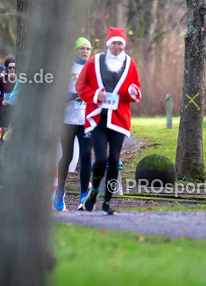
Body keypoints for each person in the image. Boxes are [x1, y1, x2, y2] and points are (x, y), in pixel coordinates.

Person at [76, 27, 142, 215]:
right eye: (114, 43)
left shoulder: (130, 64)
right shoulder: (94, 62)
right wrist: (97, 94)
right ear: (108, 44)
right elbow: (80, 86)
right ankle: (94, 191)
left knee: (114, 160)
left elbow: (136, 88)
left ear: (124, 45)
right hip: (98, 118)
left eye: (120, 43)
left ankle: (106, 202)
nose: (117, 47)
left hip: (119, 119)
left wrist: (132, 92)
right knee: (101, 160)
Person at [52, 39, 94, 211]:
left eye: (88, 48)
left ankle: (84, 195)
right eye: (82, 48)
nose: (85, 51)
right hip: (68, 119)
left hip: (86, 119)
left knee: (85, 155)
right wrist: (76, 94)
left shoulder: (93, 68)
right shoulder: (67, 68)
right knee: (67, 157)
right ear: (75, 50)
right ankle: (60, 191)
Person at [0, 55, 16, 125]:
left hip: (14, 108)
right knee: (3, 129)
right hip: (4, 108)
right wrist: (2, 100)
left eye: (14, 67)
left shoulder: (19, 79)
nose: (12, 69)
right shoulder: (3, 79)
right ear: (7, 68)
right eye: (10, 68)